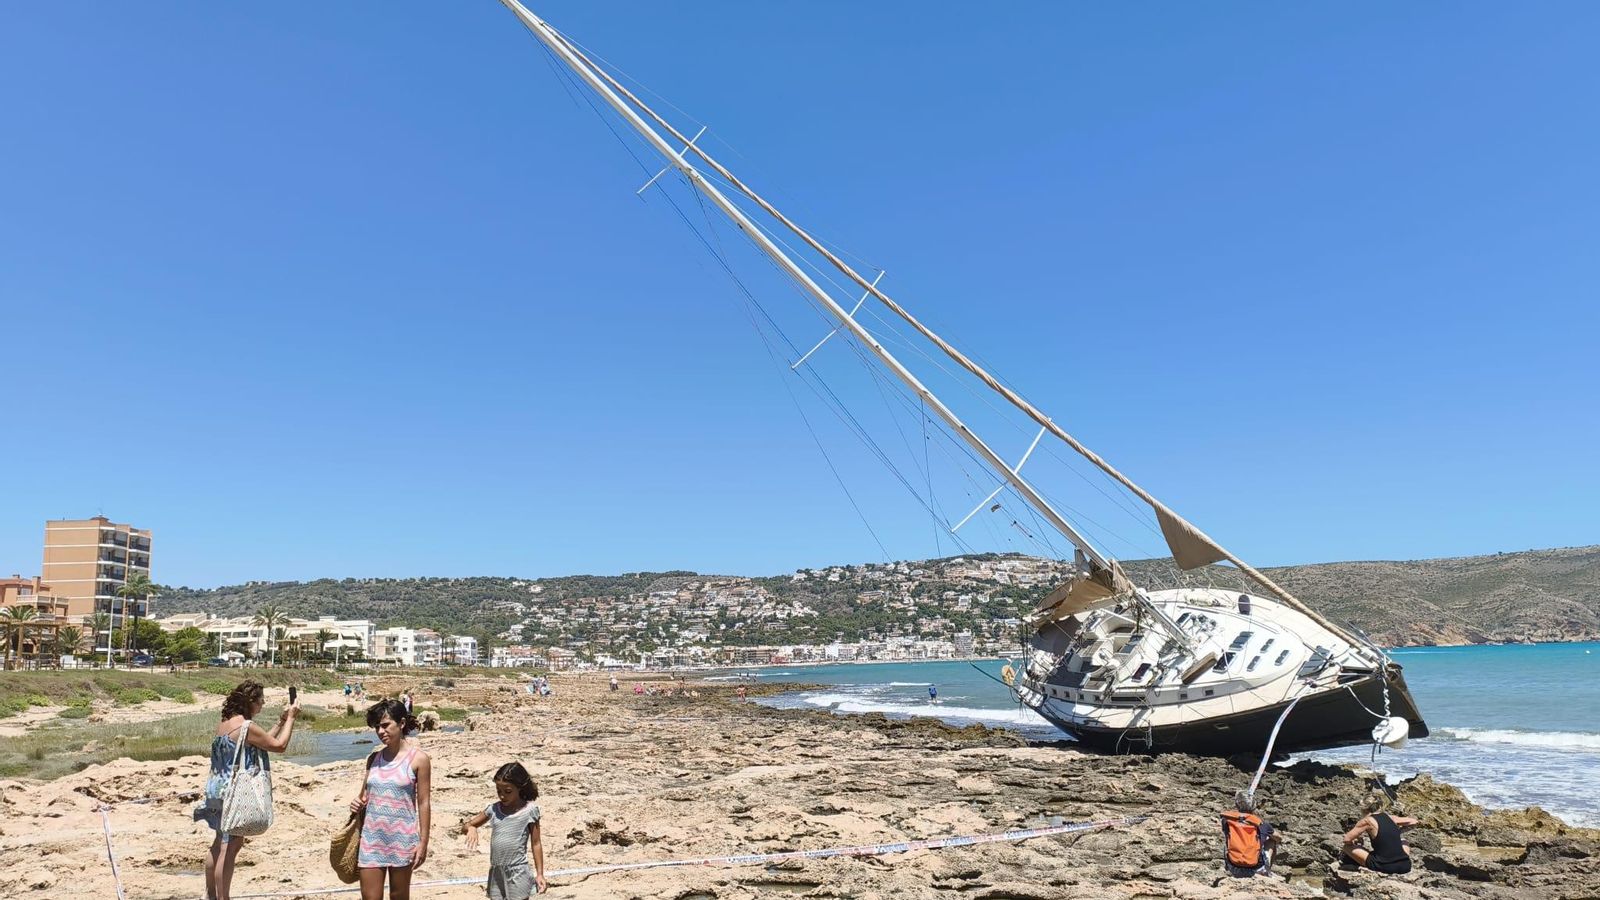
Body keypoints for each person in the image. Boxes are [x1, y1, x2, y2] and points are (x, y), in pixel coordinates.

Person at [196, 681, 300, 900]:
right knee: (230, 846)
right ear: (250, 701)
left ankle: (211, 895)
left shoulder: (227, 723)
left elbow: (263, 742)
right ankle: (223, 897)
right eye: (261, 699)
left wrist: (280, 721)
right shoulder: (246, 726)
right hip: (234, 792)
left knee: (219, 843)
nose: (263, 703)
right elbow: (279, 746)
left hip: (218, 787)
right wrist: (291, 719)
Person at [349, 699, 433, 900]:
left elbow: (424, 802)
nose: (380, 731)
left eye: (385, 725)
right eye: (377, 726)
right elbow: (364, 796)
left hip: (402, 840)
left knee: (399, 896)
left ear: (402, 723)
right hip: (371, 840)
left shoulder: (419, 759)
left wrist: (423, 841)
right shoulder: (373, 759)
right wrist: (356, 803)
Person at [463, 762, 547, 898]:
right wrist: (471, 828)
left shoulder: (530, 811)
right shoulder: (493, 810)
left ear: (519, 788)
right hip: (496, 872)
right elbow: (466, 826)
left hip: (518, 871)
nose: (502, 796)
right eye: (498, 791)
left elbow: (536, 843)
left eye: (507, 791)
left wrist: (540, 874)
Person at [1342, 792, 1420, 875]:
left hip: (1385, 866)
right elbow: (1414, 822)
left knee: (1346, 847)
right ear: (1380, 806)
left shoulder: (1367, 821)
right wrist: (1396, 832)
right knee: (1404, 841)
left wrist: (1354, 843)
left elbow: (1347, 839)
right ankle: (1401, 859)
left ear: (1363, 808)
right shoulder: (1390, 817)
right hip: (1405, 866)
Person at [1220, 791, 1280, 878]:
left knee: (1229, 838)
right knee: (1272, 841)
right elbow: (1278, 838)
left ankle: (1229, 867)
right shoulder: (1261, 824)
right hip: (1255, 868)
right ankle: (1267, 871)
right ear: (1254, 806)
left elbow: (1239, 818)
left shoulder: (1226, 821)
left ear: (1237, 805)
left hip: (1233, 867)